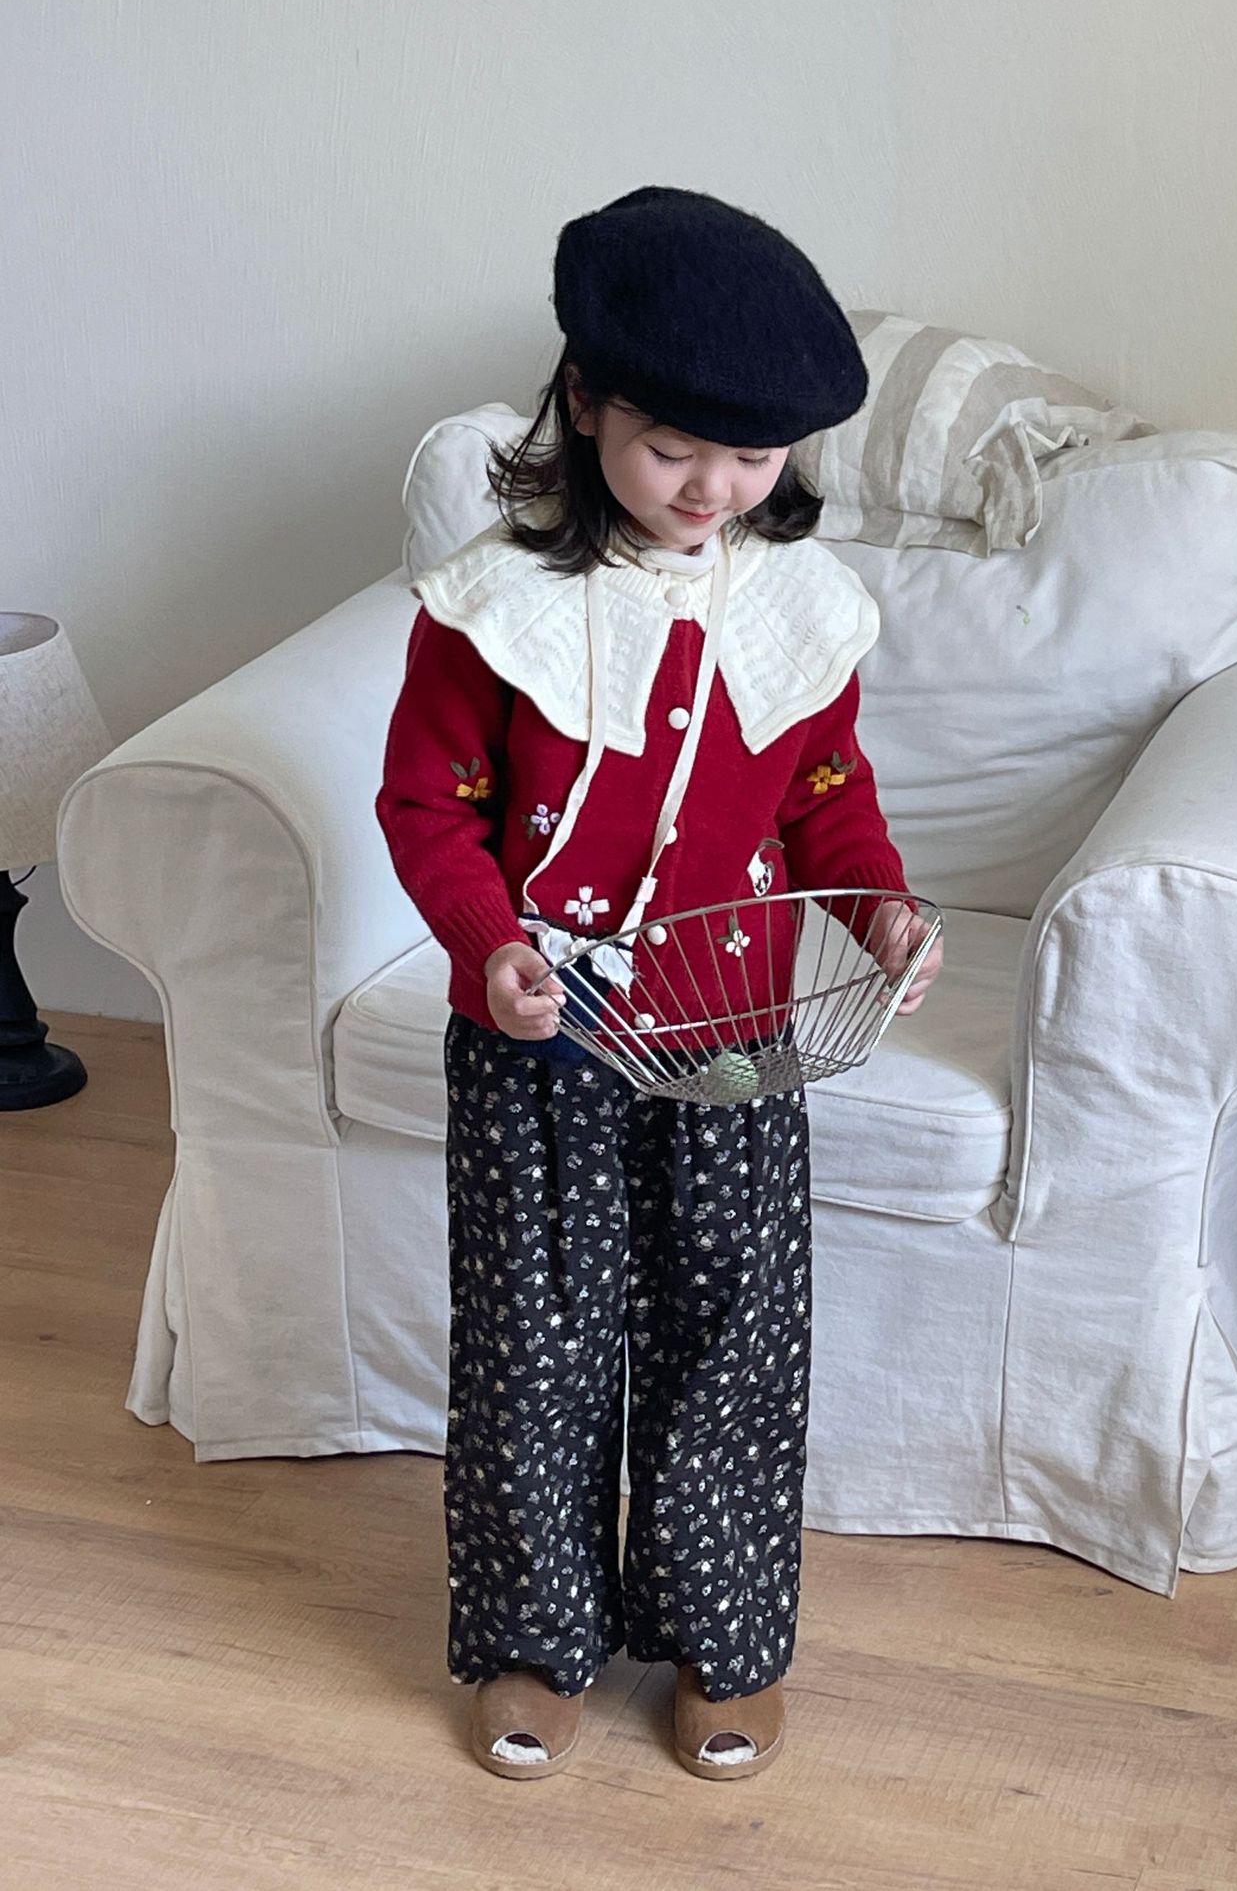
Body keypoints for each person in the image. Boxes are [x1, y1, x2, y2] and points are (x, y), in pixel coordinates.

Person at [375, 185, 943, 1783]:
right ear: (585, 405)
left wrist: (884, 914)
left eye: (753, 460)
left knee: (733, 1336)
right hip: (539, 1042)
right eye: (674, 450)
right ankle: (531, 1643)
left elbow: (827, 793)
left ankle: (722, 1642)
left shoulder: (798, 609)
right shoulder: (489, 608)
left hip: (736, 1040)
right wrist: (490, 947)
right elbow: (427, 809)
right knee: (533, 1347)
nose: (713, 491)